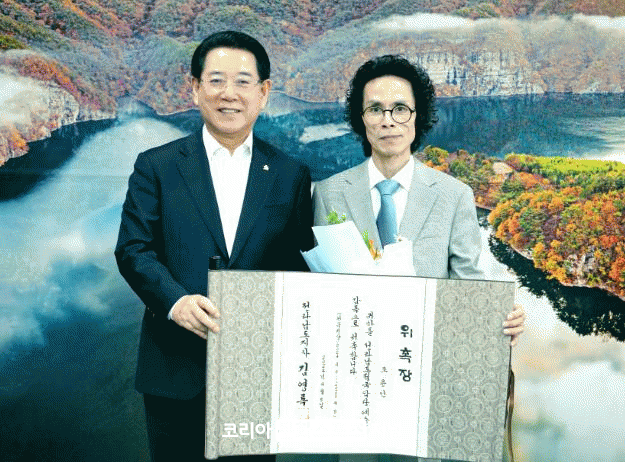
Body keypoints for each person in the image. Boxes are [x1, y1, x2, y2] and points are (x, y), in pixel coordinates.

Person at [306, 55, 525, 462]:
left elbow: (470, 287)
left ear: (417, 116)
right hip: (355, 378)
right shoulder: (330, 192)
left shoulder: (453, 195)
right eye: (375, 109)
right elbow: (319, 288)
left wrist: (499, 318)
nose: (388, 121)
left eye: (400, 109)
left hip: (426, 374)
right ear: (361, 119)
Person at [115, 31, 313, 462]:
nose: (229, 94)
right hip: (174, 367)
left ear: (263, 93)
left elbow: (300, 263)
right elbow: (133, 249)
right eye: (216, 80)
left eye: (243, 82)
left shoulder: (291, 174)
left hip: (256, 373)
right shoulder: (156, 165)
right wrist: (175, 302)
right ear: (195, 88)